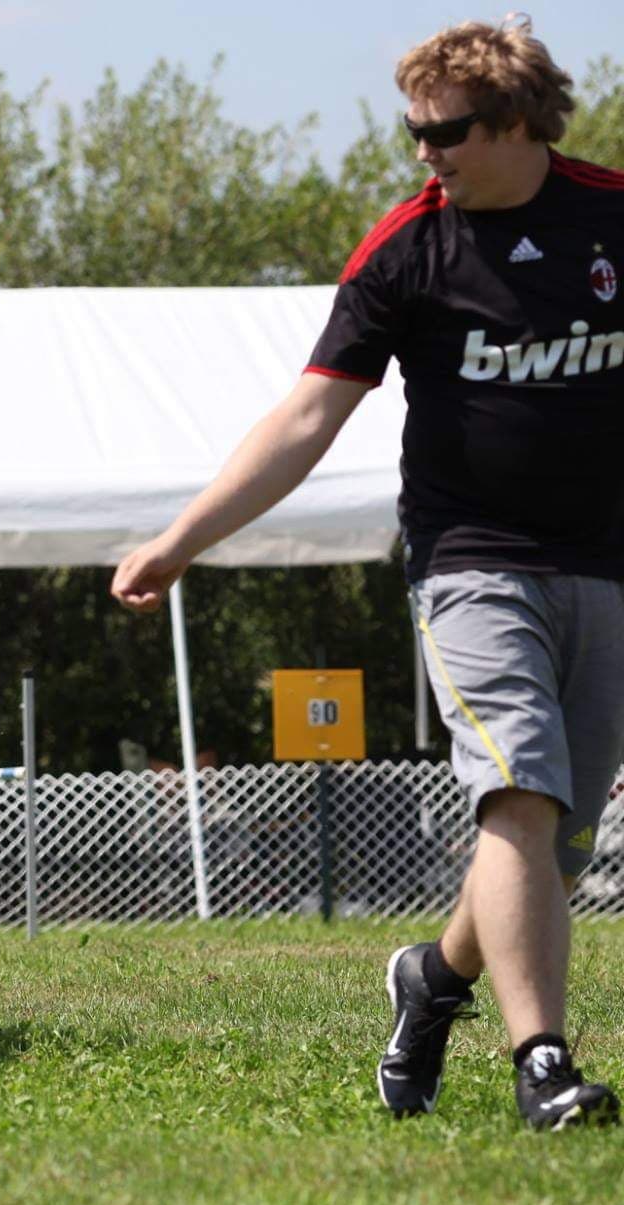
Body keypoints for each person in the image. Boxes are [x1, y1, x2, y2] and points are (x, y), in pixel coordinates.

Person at [111, 16, 624, 1130]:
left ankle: (430, 980)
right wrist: (180, 537)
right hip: (469, 565)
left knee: (552, 846)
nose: (420, 152)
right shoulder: (405, 248)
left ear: (515, 122)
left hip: (601, 566)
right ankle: (540, 1063)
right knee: (517, 790)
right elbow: (304, 417)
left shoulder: (611, 217)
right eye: (408, 130)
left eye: (440, 131)